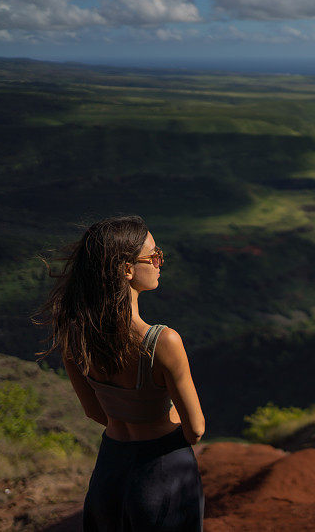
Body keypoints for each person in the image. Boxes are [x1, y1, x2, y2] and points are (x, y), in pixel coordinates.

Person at [32, 215, 206, 531]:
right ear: (126, 269)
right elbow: (195, 429)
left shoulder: (74, 332)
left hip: (109, 473)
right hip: (162, 471)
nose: (159, 261)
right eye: (153, 256)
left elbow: (93, 410)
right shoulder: (162, 341)